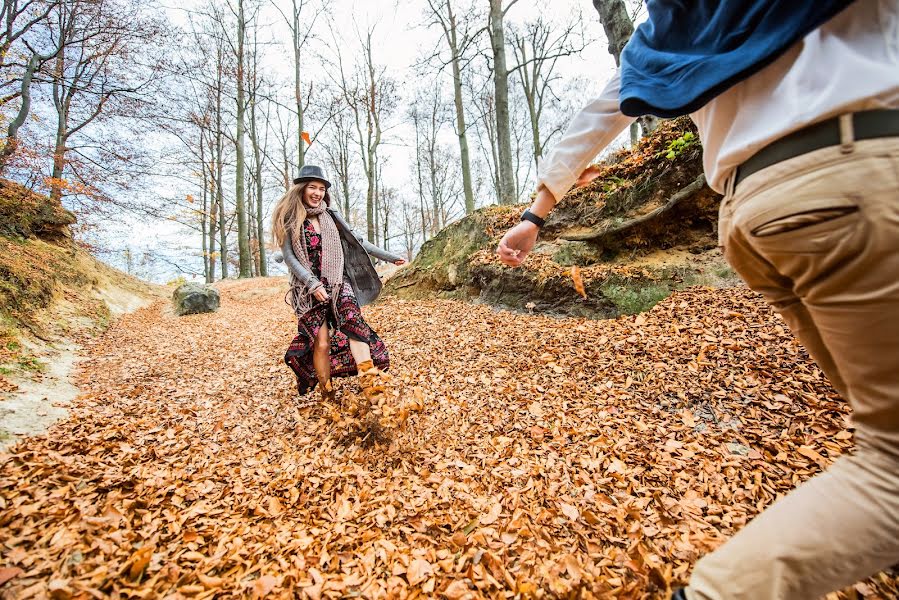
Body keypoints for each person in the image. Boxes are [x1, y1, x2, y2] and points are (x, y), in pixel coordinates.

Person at [497, 1, 898, 598]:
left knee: (878, 434)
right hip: (851, 175)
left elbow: (597, 115)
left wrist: (536, 215)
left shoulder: (673, 24)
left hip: (751, 213)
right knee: (890, 462)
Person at [272, 164, 405, 408]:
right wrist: (312, 284)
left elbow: (359, 241)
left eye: (321, 188)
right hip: (307, 288)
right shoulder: (290, 220)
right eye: (312, 187)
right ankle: (326, 391)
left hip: (338, 281)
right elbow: (290, 258)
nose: (317, 193)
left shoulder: (331, 217)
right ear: (301, 189)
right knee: (321, 342)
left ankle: (370, 385)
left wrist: (390, 256)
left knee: (354, 325)